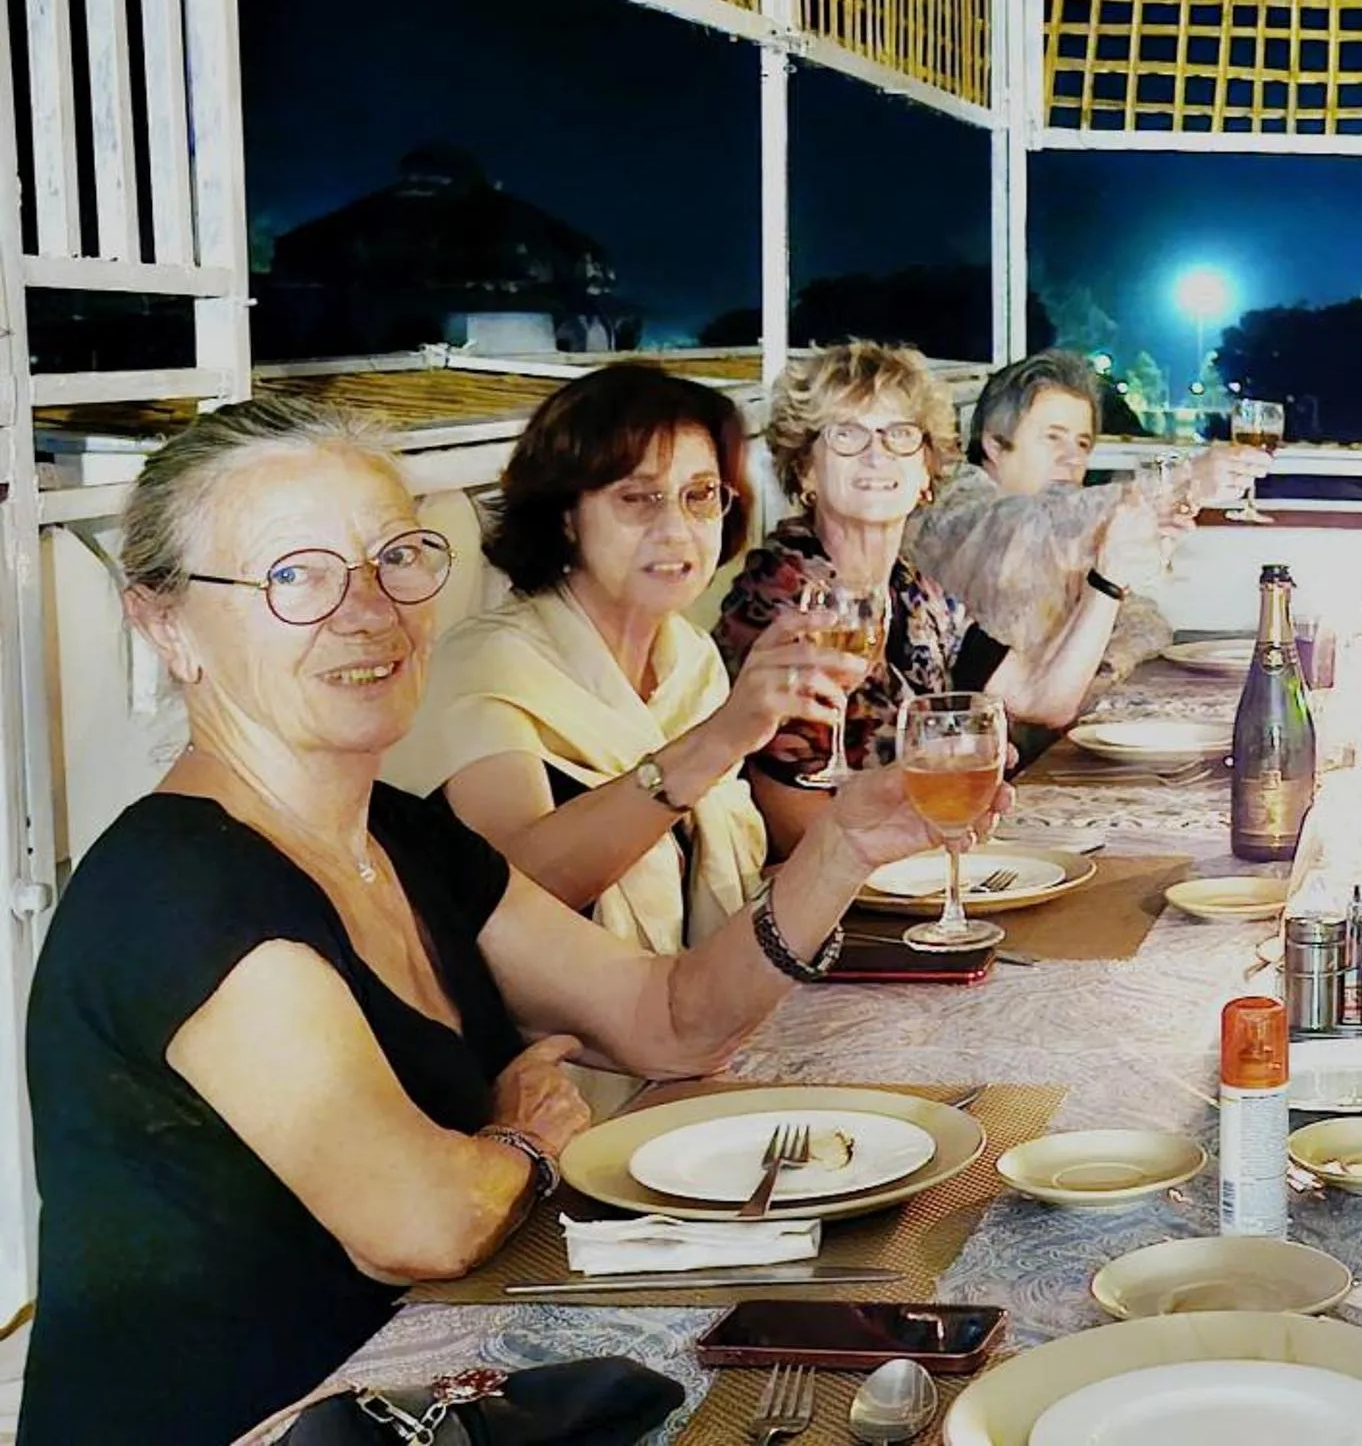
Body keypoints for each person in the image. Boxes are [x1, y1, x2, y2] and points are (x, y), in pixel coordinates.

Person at [22, 398, 989, 1446]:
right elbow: (422, 1223)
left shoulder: (396, 835)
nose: (368, 613)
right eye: (295, 576)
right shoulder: (181, 890)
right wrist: (527, 1136)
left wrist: (843, 847)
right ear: (165, 624)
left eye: (395, 558)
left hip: (432, 1404)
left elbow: (670, 1020)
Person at [383, 362, 867, 954]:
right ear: (565, 516)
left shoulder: (692, 662)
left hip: (678, 998)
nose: (676, 529)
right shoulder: (484, 666)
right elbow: (514, 892)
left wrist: (859, 845)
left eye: (700, 495)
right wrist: (717, 741)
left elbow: (716, 881)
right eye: (638, 498)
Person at [715, 341, 1141, 846]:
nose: (877, 455)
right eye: (847, 434)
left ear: (925, 474)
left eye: (899, 435)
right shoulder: (783, 598)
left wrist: (1109, 577)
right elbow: (791, 823)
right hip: (834, 878)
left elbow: (1042, 698)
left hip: (910, 855)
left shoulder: (913, 592)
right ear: (806, 470)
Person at [905, 350, 1267, 679]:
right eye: (1053, 438)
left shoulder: (1066, 531)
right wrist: (1184, 482)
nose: (1073, 458)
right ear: (995, 444)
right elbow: (1029, 524)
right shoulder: (954, 507)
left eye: (1082, 443)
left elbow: (1142, 620)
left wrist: (1101, 669)